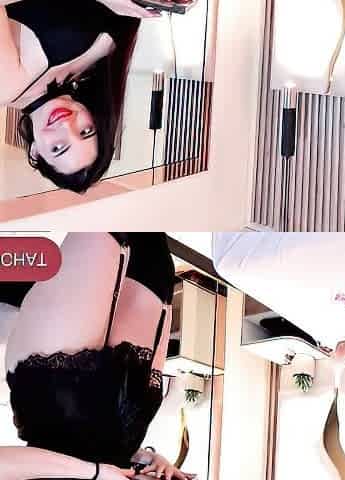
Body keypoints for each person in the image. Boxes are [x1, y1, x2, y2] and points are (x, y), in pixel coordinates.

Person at [0, 233, 190, 480]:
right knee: (154, 253)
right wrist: (142, 457)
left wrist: (96, 472)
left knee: (107, 224)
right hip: (128, 412)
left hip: (57, 395)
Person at [0, 0, 159, 193]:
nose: (67, 125)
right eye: (85, 131)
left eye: (58, 147)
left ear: (35, 152)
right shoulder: (100, 66)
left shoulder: (6, 86)